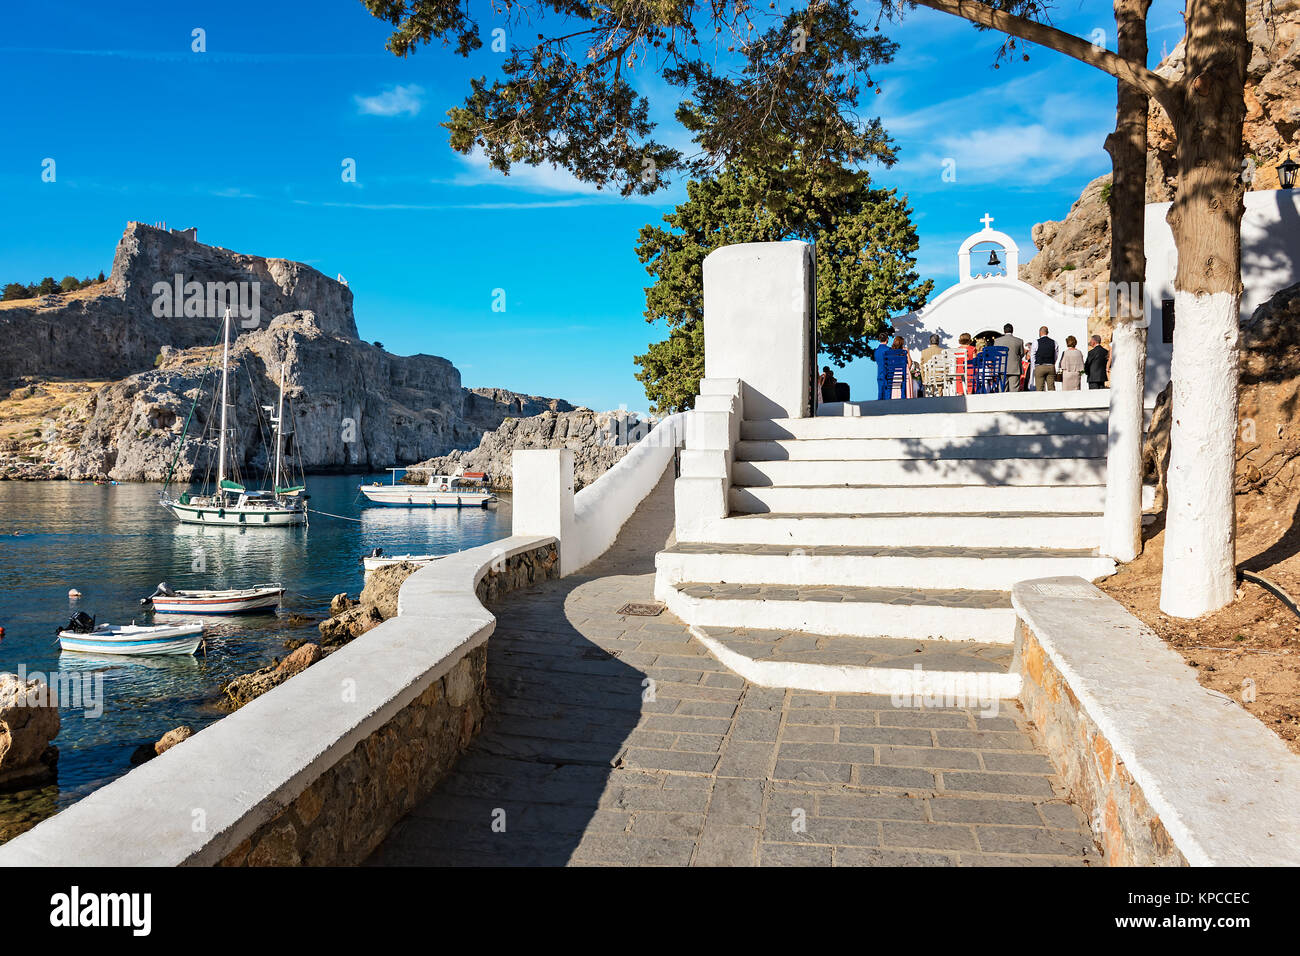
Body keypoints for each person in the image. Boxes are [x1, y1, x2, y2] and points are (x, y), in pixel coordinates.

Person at [993, 323, 1024, 391]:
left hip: (1001, 367)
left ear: (1004, 331)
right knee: (1014, 390)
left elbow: (995, 354)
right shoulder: (1019, 341)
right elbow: (1022, 354)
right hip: (1014, 368)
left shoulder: (997, 341)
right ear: (1012, 330)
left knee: (1002, 390)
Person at [1032, 326, 1058, 392]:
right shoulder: (1054, 342)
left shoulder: (1036, 342)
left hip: (1040, 366)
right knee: (1051, 388)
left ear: (1040, 332)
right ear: (1047, 333)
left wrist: (1034, 366)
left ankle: (1040, 402)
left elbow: (1032, 355)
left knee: (1039, 389)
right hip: (1050, 366)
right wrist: (1052, 363)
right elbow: (1056, 355)